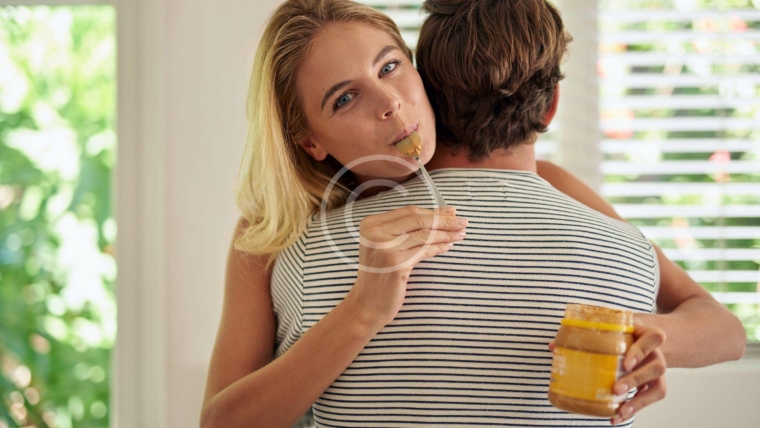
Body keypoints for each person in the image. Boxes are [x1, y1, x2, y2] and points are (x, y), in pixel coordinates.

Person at [200, 1, 746, 427]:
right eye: (345, 98)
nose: (389, 103)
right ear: (309, 141)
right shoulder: (275, 231)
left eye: (390, 67)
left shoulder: (550, 181)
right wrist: (362, 311)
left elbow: (723, 330)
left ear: (424, 77)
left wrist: (641, 338)